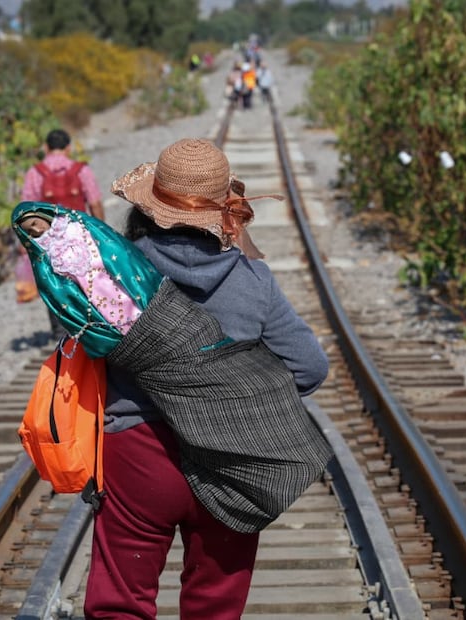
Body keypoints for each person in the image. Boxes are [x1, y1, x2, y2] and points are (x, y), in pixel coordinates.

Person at [81, 138, 330, 619]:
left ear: (149, 207)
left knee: (120, 603)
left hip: (137, 456)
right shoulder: (253, 281)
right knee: (215, 605)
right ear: (222, 212)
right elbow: (309, 366)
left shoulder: (118, 275)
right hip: (233, 460)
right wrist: (234, 397)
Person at [19, 128, 104, 338]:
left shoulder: (35, 173)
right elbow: (95, 203)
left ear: (46, 148)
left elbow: (25, 210)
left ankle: (60, 333)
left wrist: (26, 244)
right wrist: (100, 232)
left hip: (47, 240)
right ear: (68, 148)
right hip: (79, 236)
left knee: (53, 284)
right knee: (85, 280)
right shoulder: (81, 170)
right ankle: (89, 329)